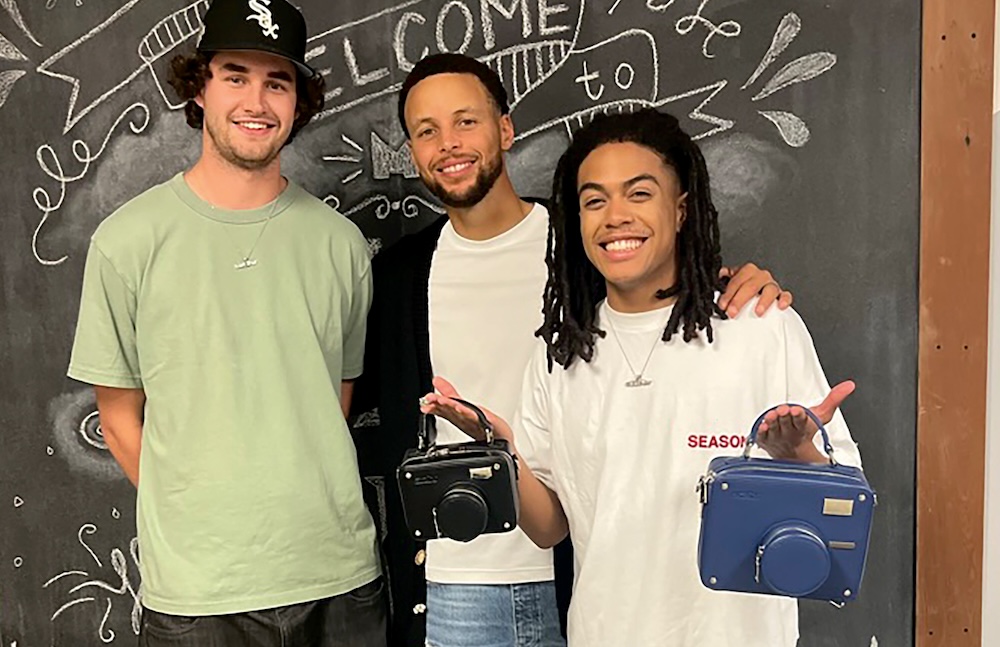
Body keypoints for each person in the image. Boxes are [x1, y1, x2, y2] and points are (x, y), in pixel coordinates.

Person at [352, 54, 792, 647]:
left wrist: (740, 285)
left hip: (585, 576)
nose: (447, 144)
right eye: (425, 131)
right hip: (457, 581)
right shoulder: (400, 274)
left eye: (465, 122)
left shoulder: (589, 243)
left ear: (505, 130)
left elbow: (663, 292)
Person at [419, 108, 863, 647]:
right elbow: (549, 527)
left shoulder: (762, 326)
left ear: (680, 210)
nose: (615, 217)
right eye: (594, 200)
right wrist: (502, 451)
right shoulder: (562, 355)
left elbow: (839, 510)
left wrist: (800, 456)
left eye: (639, 193)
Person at [66, 1, 385, 644]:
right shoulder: (127, 241)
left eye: (277, 82)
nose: (256, 101)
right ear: (200, 86)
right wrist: (197, 518)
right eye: (235, 75)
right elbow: (119, 416)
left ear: (299, 102)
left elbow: (334, 395)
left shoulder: (341, 245)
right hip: (198, 595)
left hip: (338, 578)